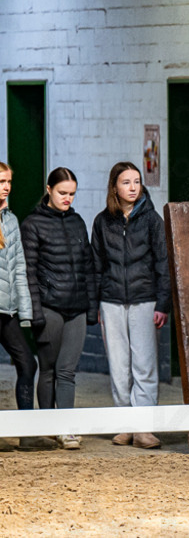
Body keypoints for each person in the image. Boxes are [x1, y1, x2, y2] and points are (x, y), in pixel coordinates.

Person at [91, 161, 171, 450]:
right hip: (111, 302)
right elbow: (96, 266)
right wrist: (96, 305)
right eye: (126, 182)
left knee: (145, 366)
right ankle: (125, 424)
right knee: (119, 366)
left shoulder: (152, 221)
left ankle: (144, 428)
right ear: (115, 187)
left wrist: (163, 303)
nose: (133, 187)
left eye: (136, 181)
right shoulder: (102, 222)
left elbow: (164, 264)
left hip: (145, 300)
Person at [21, 167, 98, 450]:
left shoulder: (78, 222)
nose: (68, 198)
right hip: (49, 307)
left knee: (67, 371)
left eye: (72, 194)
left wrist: (90, 308)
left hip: (76, 308)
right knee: (49, 370)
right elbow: (29, 272)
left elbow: (88, 267)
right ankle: (47, 425)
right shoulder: (32, 224)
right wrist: (36, 313)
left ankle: (66, 429)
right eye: (62, 193)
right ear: (49, 189)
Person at [0, 163, 39, 413]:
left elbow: (19, 270)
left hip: (7, 311)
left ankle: (27, 433)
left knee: (28, 364)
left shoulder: (11, 220)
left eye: (9, 182)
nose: (6, 188)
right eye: (1, 182)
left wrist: (25, 313)